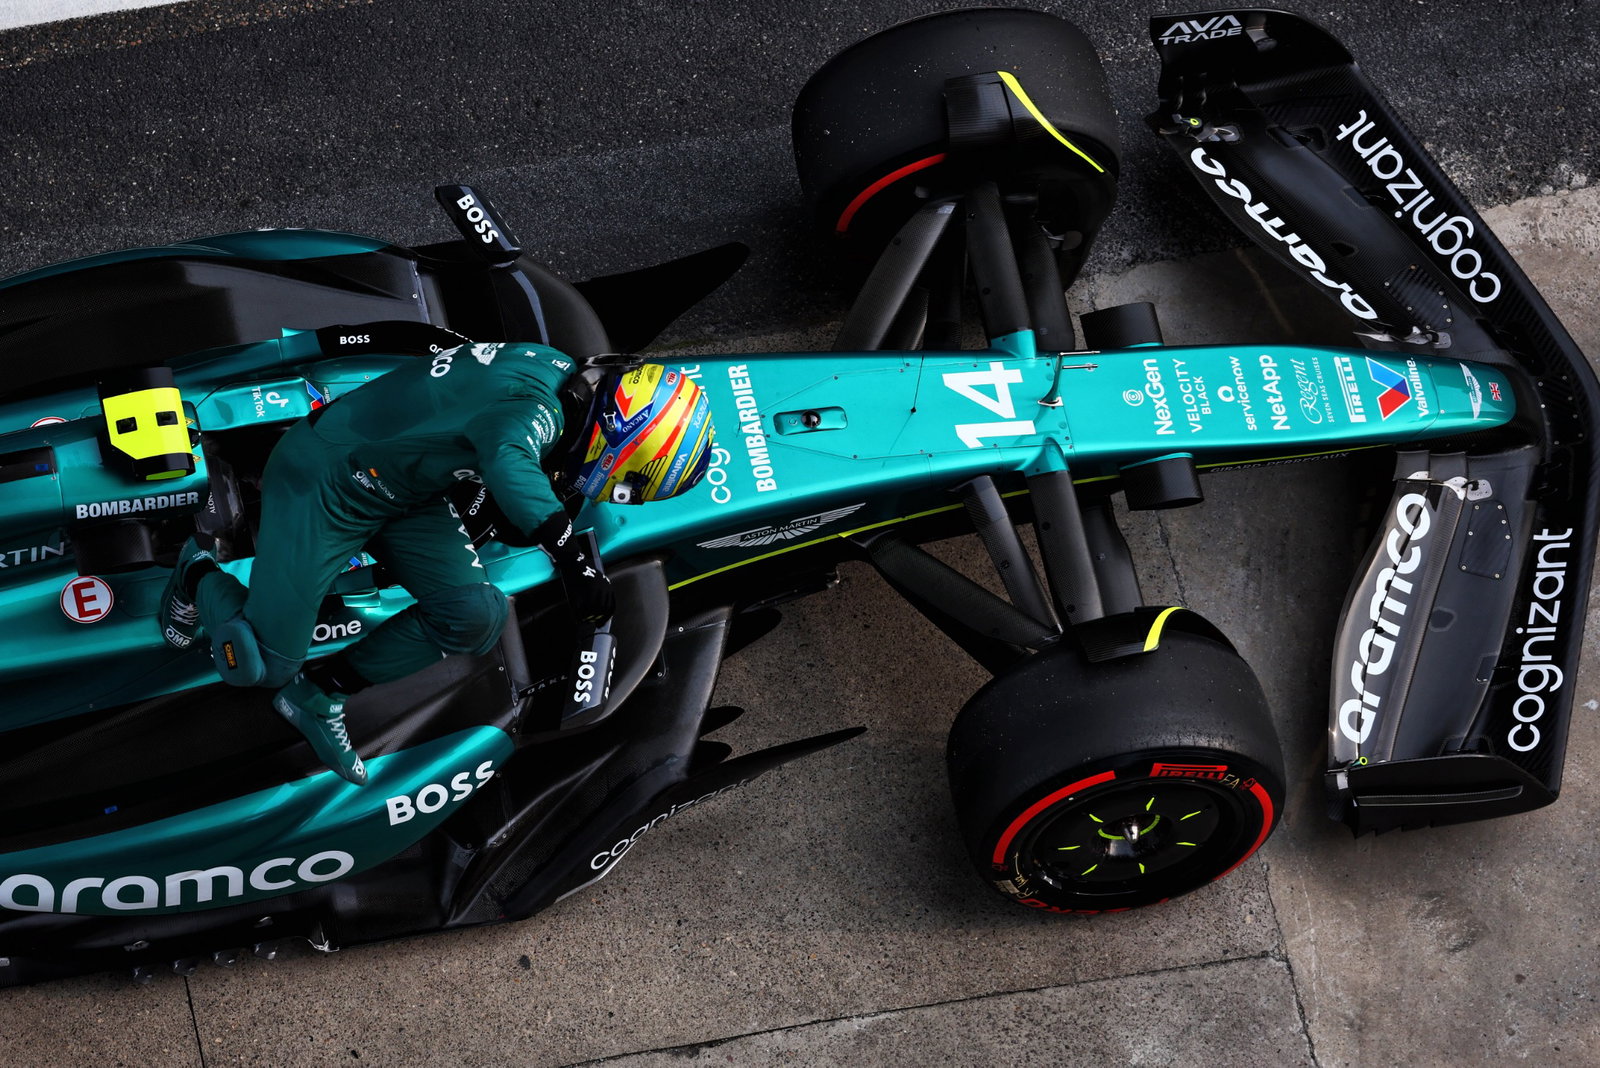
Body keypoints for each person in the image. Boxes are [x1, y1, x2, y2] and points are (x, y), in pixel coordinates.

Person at [158, 340, 714, 786]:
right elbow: (508, 457)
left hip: (404, 489)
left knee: (475, 615)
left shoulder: (555, 369)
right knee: (261, 663)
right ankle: (193, 572)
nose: (619, 491)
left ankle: (318, 695)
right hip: (326, 481)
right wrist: (575, 561)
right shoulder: (539, 409)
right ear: (625, 440)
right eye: (632, 482)